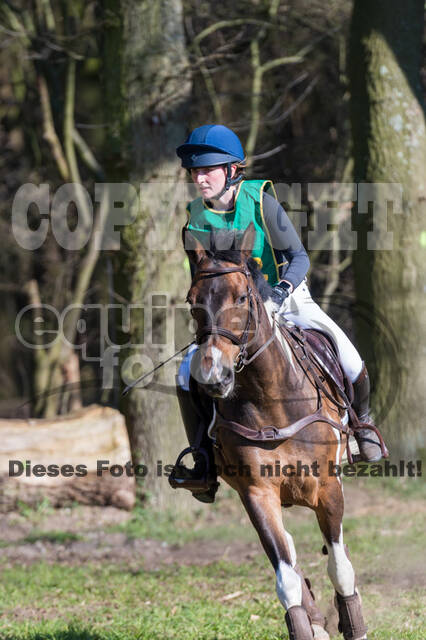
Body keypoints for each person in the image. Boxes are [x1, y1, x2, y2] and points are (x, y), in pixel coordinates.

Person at [172, 124, 383, 503]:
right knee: (187, 372)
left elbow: (298, 258)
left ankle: (362, 426)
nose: (199, 177)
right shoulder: (194, 218)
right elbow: (203, 280)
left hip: (285, 296)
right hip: (231, 317)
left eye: (208, 169)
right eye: (195, 171)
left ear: (232, 170)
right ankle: (203, 459)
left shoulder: (260, 201)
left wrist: (279, 291)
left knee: (349, 355)